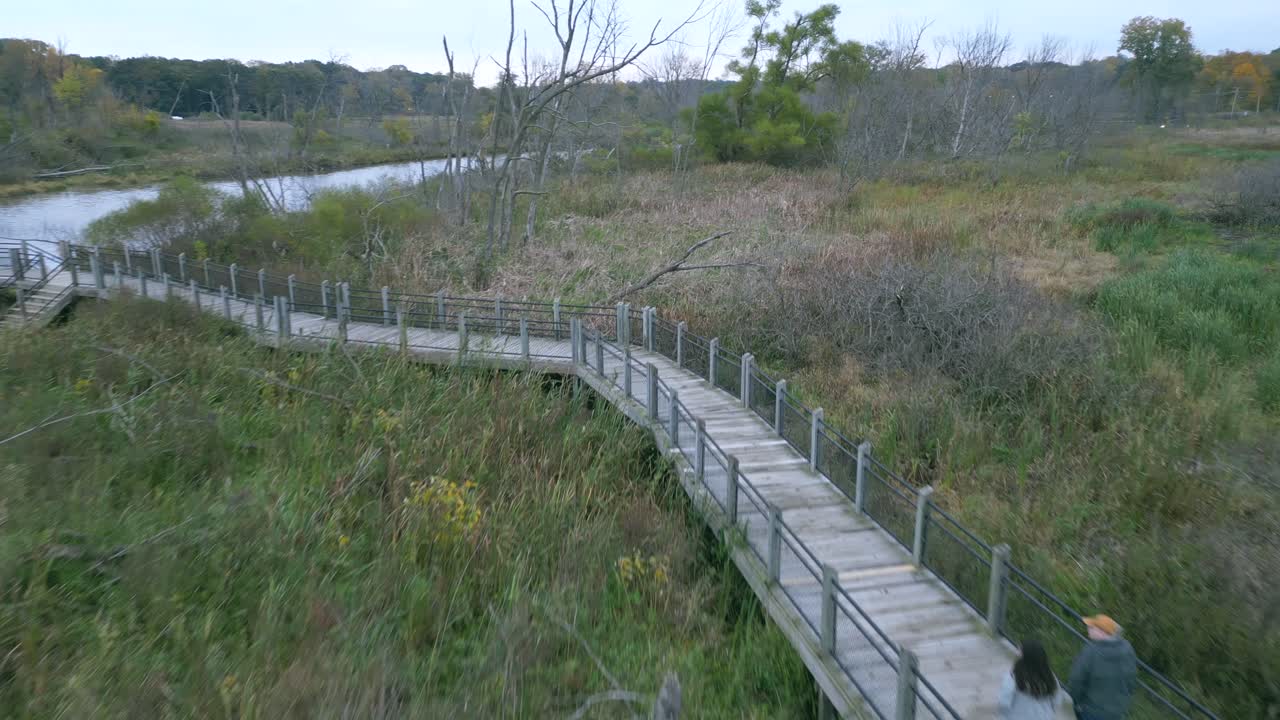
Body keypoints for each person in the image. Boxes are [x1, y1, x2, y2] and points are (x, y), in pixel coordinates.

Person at [1068, 614, 1138, 720]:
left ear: (1102, 632)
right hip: (1116, 713)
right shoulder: (1128, 649)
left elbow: (1076, 681)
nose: (1088, 628)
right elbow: (1131, 682)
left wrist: (1072, 703)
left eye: (1092, 627)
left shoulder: (1091, 651)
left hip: (1090, 711)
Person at [998, 638, 1070, 720]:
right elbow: (1057, 701)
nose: (1017, 654)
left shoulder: (1014, 676)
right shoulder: (1050, 676)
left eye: (1019, 651)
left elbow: (1004, 702)